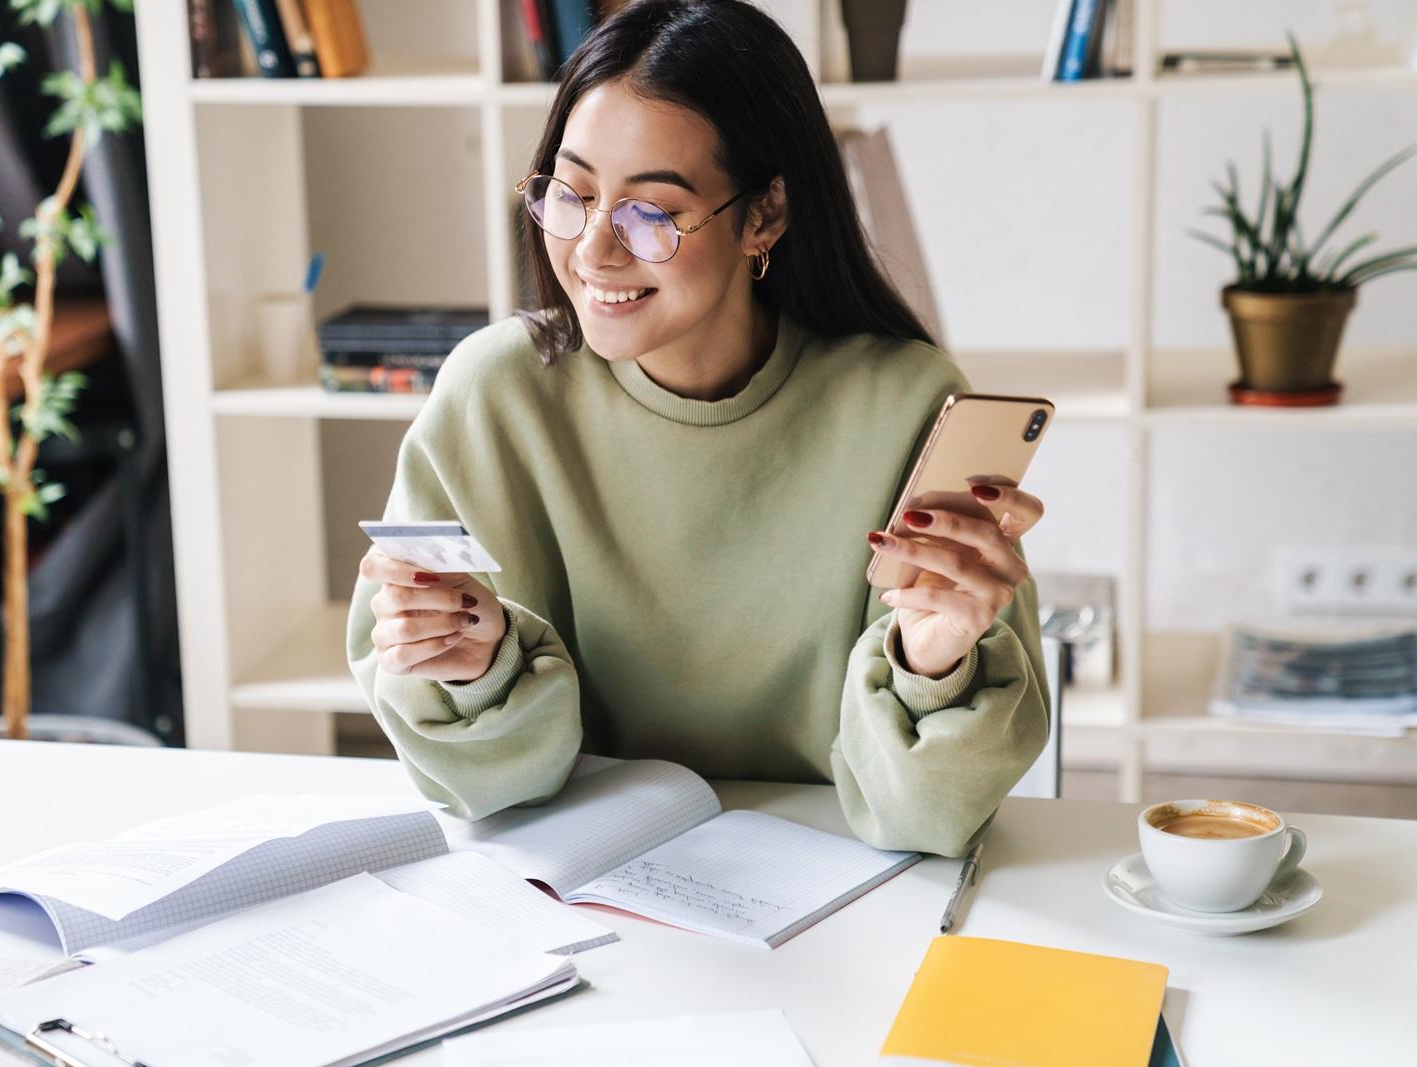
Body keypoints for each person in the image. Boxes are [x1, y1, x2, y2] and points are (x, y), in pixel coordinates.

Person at [347, 0, 1048, 857]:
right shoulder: (494, 398)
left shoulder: (903, 403)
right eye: (571, 194)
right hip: (577, 888)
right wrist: (472, 668)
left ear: (765, 215)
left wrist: (933, 662)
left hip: (842, 893)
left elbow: (924, 819)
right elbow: (489, 795)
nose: (594, 251)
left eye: (651, 213)